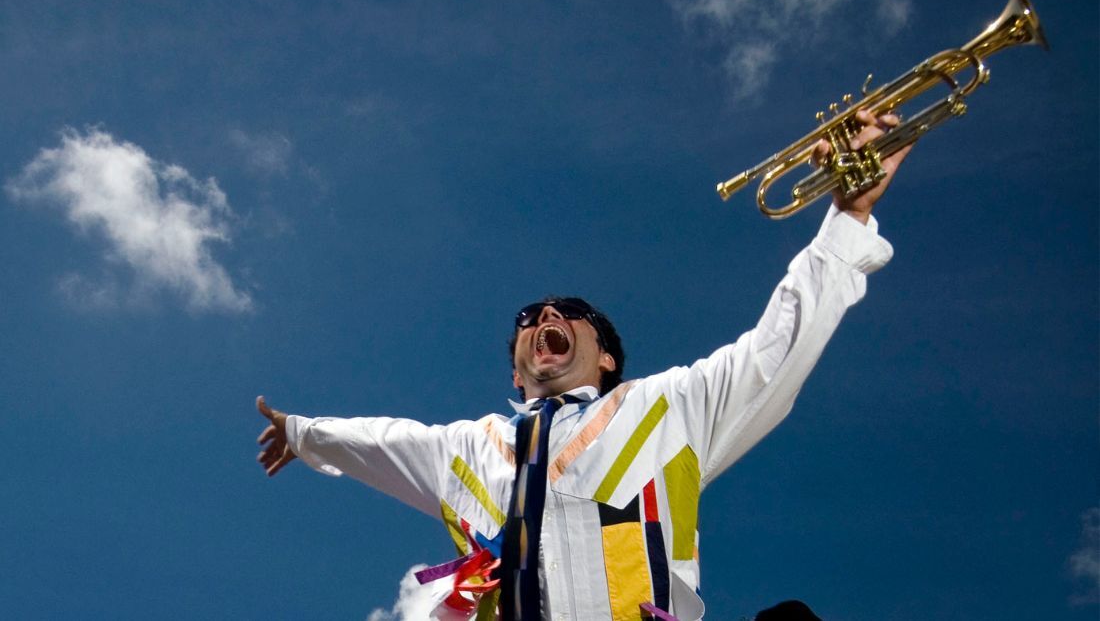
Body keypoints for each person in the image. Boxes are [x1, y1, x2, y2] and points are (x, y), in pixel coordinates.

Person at [256, 111, 911, 620]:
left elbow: (779, 348)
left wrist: (849, 216)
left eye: (567, 312)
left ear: (607, 357)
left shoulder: (669, 409)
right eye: (527, 319)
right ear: (515, 371)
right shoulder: (465, 450)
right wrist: (301, 433)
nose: (545, 319)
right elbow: (381, 439)